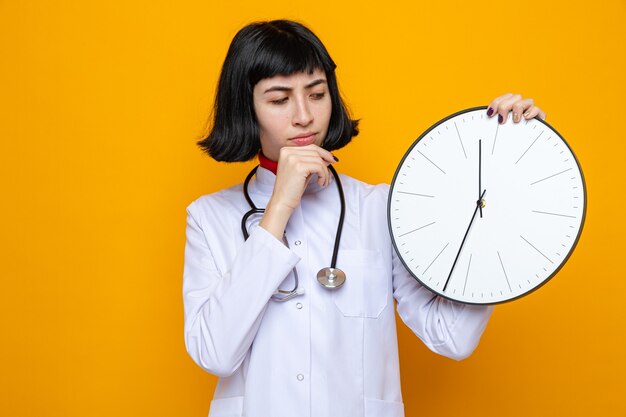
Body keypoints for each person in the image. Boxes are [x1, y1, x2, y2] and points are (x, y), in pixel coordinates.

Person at [182, 19, 546, 417]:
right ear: (246, 108)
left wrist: (505, 181)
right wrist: (279, 210)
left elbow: (450, 336)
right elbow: (214, 352)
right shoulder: (209, 218)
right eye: (279, 99)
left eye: (317, 94)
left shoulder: (379, 207)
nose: (304, 116)